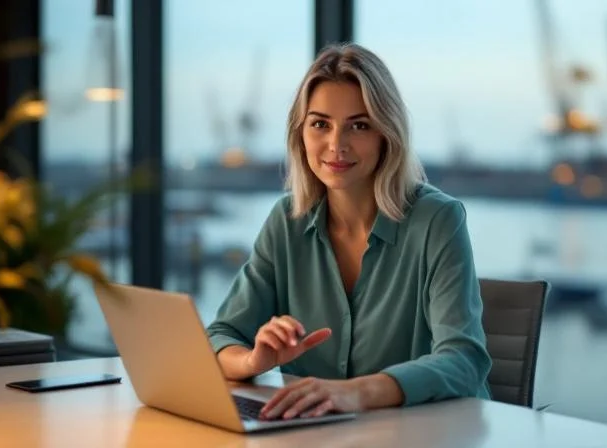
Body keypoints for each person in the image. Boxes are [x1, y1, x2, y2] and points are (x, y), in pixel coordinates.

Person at [206, 42, 492, 421]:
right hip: (319, 435)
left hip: (428, 435)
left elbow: (464, 360)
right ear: (300, 134)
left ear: (385, 135)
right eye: (320, 124)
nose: (336, 145)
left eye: (359, 125)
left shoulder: (438, 220)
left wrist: (356, 393)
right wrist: (253, 359)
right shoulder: (286, 220)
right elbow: (220, 335)